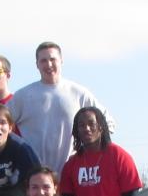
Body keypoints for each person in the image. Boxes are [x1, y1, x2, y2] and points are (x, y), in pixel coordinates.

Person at [9, 41, 112, 173]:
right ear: (37, 65)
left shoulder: (79, 94)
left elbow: (108, 122)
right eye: (43, 61)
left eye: (53, 59)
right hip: (34, 177)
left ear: (61, 61)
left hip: (71, 175)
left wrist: (88, 150)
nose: (49, 64)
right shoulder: (23, 96)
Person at [59, 106, 142, 196]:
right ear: (77, 131)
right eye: (81, 125)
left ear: (101, 127)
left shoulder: (120, 157)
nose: (87, 128)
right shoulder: (71, 165)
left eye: (91, 123)